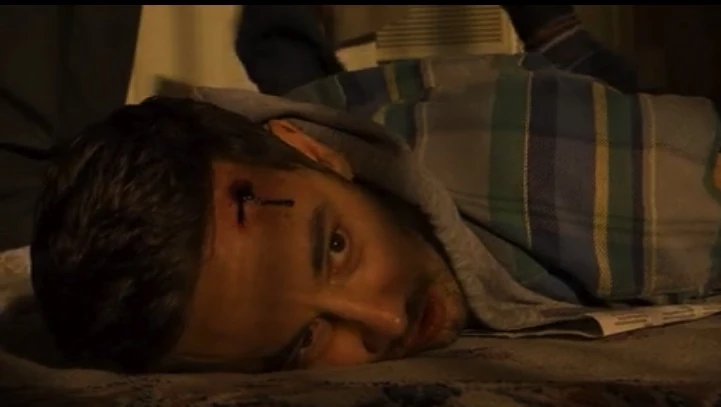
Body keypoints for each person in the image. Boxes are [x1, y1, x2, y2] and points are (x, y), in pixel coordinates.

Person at [19, 6, 721, 374]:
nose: (384, 321)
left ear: (313, 149)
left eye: (334, 247)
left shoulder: (581, 191)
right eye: (304, 341)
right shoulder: (271, 162)